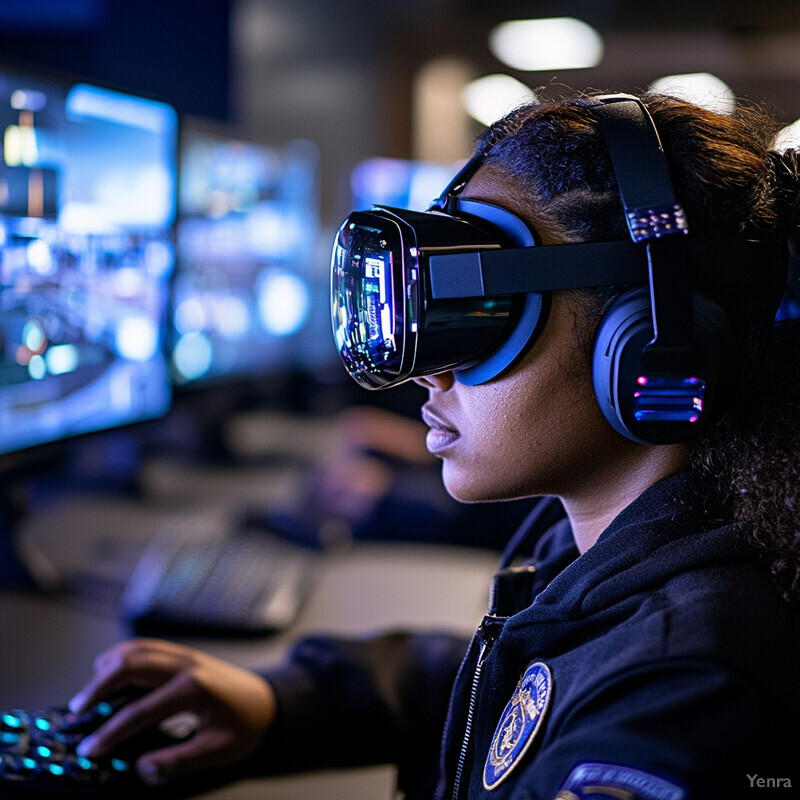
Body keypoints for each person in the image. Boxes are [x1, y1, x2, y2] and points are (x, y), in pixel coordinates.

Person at [67, 90, 800, 800]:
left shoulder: (685, 701)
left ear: (651, 346)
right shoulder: (622, 547)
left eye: (491, 316)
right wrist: (284, 704)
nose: (431, 374)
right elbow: (528, 686)